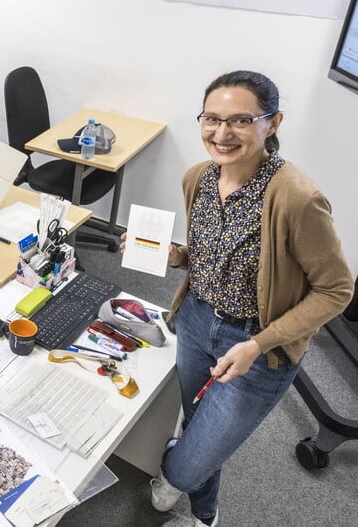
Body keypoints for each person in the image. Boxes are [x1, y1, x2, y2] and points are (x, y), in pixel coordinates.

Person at [141, 71, 353, 526]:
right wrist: (175, 255)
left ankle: (175, 470)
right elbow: (211, 255)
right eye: (212, 119)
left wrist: (259, 344)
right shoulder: (197, 178)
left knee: (189, 459)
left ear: (272, 123)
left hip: (259, 346)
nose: (222, 134)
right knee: (199, 426)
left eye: (240, 120)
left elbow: (336, 290)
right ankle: (206, 513)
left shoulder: (297, 199)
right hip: (197, 321)